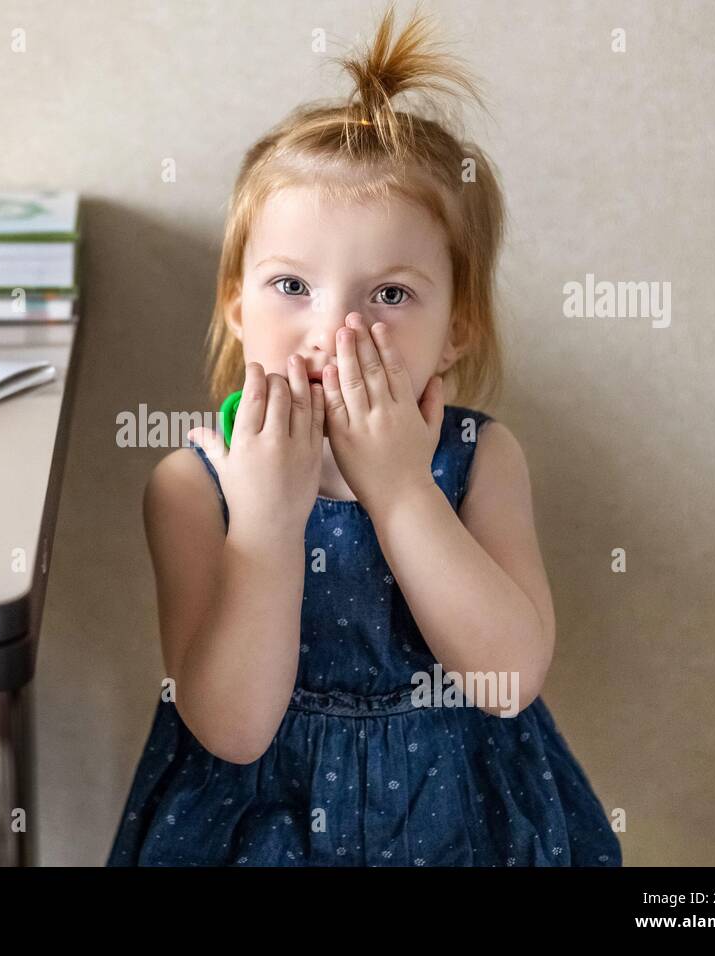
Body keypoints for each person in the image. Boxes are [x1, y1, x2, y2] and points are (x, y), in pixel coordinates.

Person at [107, 3, 622, 866]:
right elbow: (232, 729)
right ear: (237, 306)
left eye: (388, 295)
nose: (333, 332)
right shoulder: (194, 487)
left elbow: (509, 682)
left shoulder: (481, 460)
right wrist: (267, 523)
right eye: (291, 286)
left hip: (460, 818)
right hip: (262, 823)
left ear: (456, 328)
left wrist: (402, 490)